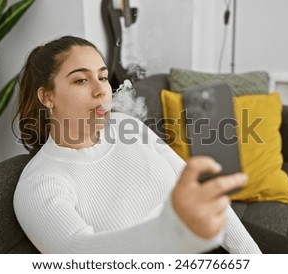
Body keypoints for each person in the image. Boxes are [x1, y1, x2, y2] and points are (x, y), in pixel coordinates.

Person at [13, 35, 261, 254]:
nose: (101, 90)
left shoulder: (124, 126)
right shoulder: (40, 182)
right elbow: (79, 254)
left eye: (102, 77)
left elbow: (204, 195)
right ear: (47, 97)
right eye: (81, 80)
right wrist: (179, 231)